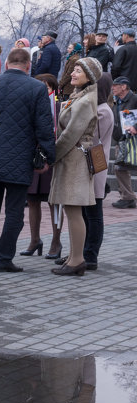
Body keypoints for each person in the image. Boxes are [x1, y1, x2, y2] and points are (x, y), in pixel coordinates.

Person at [0, 47, 56, 273]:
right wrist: (50, 156)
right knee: (14, 212)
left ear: (7, 63)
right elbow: (44, 127)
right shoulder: (37, 88)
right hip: (20, 158)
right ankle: (3, 258)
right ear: (29, 66)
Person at [47, 57, 103, 276]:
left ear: (89, 76)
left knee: (73, 210)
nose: (73, 73)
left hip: (75, 160)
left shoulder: (86, 100)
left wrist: (52, 154)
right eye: (74, 69)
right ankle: (73, 257)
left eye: (78, 70)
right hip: (72, 159)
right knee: (71, 210)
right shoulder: (80, 97)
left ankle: (77, 260)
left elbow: (71, 135)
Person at [21, 73, 62, 257]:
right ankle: (34, 240)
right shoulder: (29, 106)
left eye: (46, 87)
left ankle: (56, 241)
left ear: (53, 89)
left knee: (54, 201)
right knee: (32, 200)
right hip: (32, 157)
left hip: (52, 157)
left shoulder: (60, 107)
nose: (41, 90)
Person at [80, 73, 114, 270]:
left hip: (94, 166)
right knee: (86, 212)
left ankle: (90, 255)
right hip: (89, 165)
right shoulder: (99, 108)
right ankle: (81, 251)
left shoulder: (102, 111)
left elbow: (90, 137)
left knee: (93, 213)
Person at [111, 76, 137, 208]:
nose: (112, 88)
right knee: (119, 168)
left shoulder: (134, 99)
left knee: (120, 168)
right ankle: (126, 196)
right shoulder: (118, 101)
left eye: (115, 85)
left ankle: (128, 197)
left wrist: (135, 127)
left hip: (132, 140)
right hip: (122, 139)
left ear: (124, 87)